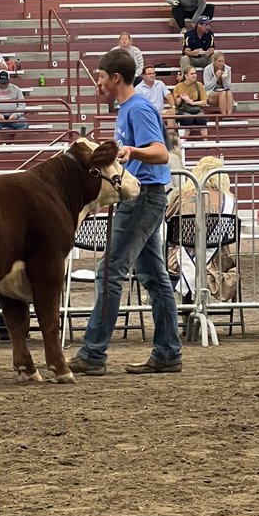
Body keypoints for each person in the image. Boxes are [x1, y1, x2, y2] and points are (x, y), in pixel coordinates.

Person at [68, 47, 182, 378]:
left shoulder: (137, 109)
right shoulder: (130, 109)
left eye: (101, 77)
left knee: (110, 271)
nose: (99, 83)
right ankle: (168, 352)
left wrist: (132, 151)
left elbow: (161, 153)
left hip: (142, 198)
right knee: (154, 277)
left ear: (116, 77)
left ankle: (93, 352)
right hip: (144, 196)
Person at [166, 155, 237, 303]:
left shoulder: (181, 196)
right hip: (217, 261)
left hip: (179, 260)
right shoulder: (229, 201)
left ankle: (187, 307)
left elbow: (168, 220)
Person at [0, 71, 28, 142]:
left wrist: (16, 115)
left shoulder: (16, 88)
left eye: (5, 83)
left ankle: (14, 144)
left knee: (24, 123)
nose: (3, 84)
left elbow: (22, 104)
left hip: (14, 117)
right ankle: (1, 144)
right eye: (1, 82)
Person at [172, 66, 209, 139]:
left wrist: (193, 103)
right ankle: (183, 141)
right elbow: (176, 104)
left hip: (195, 108)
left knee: (202, 118)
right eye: (192, 74)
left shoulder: (199, 85)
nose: (194, 75)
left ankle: (206, 141)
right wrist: (181, 98)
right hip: (183, 109)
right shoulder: (178, 86)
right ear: (186, 75)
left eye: (195, 73)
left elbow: (204, 102)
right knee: (188, 119)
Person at [203, 52, 235, 117]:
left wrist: (224, 80)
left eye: (223, 61)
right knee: (223, 93)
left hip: (224, 92)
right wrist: (216, 77)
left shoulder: (227, 69)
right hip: (211, 93)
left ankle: (229, 115)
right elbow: (207, 86)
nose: (221, 63)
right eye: (219, 61)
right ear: (214, 61)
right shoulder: (207, 69)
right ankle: (224, 115)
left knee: (229, 92)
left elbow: (229, 87)